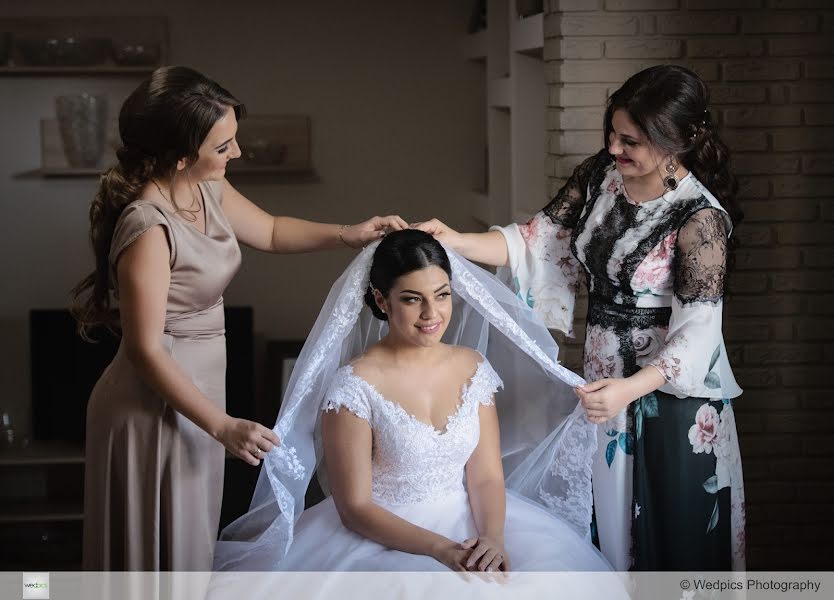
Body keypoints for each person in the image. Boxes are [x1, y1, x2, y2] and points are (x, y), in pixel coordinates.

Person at [71, 66, 407, 571]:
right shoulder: (147, 226)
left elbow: (270, 231)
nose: (237, 154)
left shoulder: (205, 187)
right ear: (181, 155)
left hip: (201, 397)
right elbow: (144, 349)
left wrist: (349, 233)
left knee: (188, 547)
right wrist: (222, 426)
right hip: (153, 405)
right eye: (223, 146)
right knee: (159, 556)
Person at [415, 65, 745, 571]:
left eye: (630, 140)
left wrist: (629, 390)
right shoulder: (602, 176)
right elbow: (538, 240)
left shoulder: (700, 218)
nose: (615, 148)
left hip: (669, 395)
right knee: (603, 517)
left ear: (676, 140)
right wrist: (452, 240)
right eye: (612, 134)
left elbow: (701, 330)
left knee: (667, 529)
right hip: (602, 381)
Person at [211, 230, 627, 598]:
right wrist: (442, 549)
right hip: (380, 532)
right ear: (381, 299)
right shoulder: (353, 385)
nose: (432, 315)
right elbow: (354, 506)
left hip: (472, 517)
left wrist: (493, 539)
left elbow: (485, 474)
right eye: (412, 299)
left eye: (442, 295)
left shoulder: (472, 367)